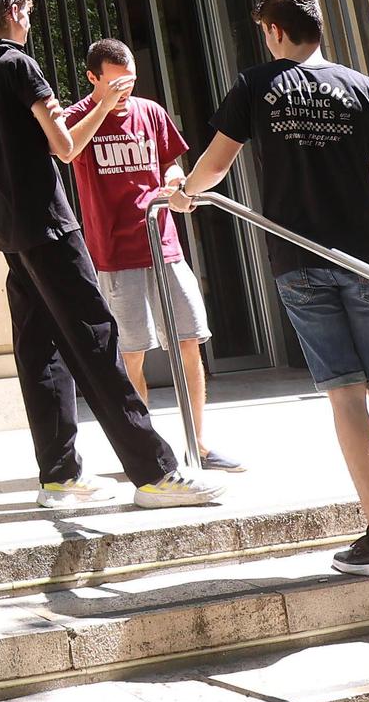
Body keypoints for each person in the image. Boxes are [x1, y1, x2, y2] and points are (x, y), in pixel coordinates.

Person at [171, 0, 369, 580]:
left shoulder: (255, 86)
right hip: (366, 260)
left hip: (298, 261)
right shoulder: (362, 88)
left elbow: (214, 166)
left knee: (347, 398)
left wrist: (185, 195)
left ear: (273, 32)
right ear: (319, 29)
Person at [0, 0, 216, 511]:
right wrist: (103, 103)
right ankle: (155, 472)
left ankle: (60, 473)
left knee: (40, 350)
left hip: (10, 226)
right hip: (49, 224)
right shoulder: (17, 64)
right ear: (12, 10)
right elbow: (68, 146)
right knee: (97, 341)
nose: (30, 20)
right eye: (27, 10)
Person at [65, 38, 241, 471]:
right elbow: (66, 147)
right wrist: (102, 107)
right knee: (132, 353)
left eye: (130, 81)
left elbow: (171, 162)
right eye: (115, 81)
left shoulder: (151, 112)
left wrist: (176, 181)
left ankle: (197, 444)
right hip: (115, 253)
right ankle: (143, 452)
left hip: (163, 244)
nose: (125, 89)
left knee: (189, 339)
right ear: (93, 78)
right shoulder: (78, 116)